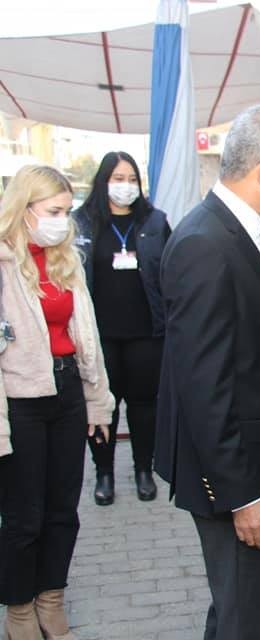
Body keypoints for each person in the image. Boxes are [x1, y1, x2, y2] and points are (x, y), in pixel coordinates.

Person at [155, 105, 260, 640]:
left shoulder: (247, 228)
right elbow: (204, 387)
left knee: (237, 611)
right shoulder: (205, 243)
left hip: (258, 463)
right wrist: (244, 495)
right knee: (247, 621)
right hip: (238, 479)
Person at [0, 165, 113, 640]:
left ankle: (52, 599)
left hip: (67, 393)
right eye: (53, 211)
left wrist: (98, 402)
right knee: (24, 517)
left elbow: (86, 337)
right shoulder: (5, 264)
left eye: (67, 212)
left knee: (63, 510)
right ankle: (19, 610)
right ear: (24, 210)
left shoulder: (65, 259)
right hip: (20, 400)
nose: (62, 221)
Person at [73, 151, 171, 506]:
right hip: (99, 337)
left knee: (145, 406)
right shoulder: (82, 223)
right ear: (103, 182)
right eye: (117, 178)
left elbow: (172, 274)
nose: (125, 186)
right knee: (103, 407)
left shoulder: (155, 222)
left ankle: (144, 470)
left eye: (132, 179)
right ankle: (104, 473)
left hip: (147, 333)